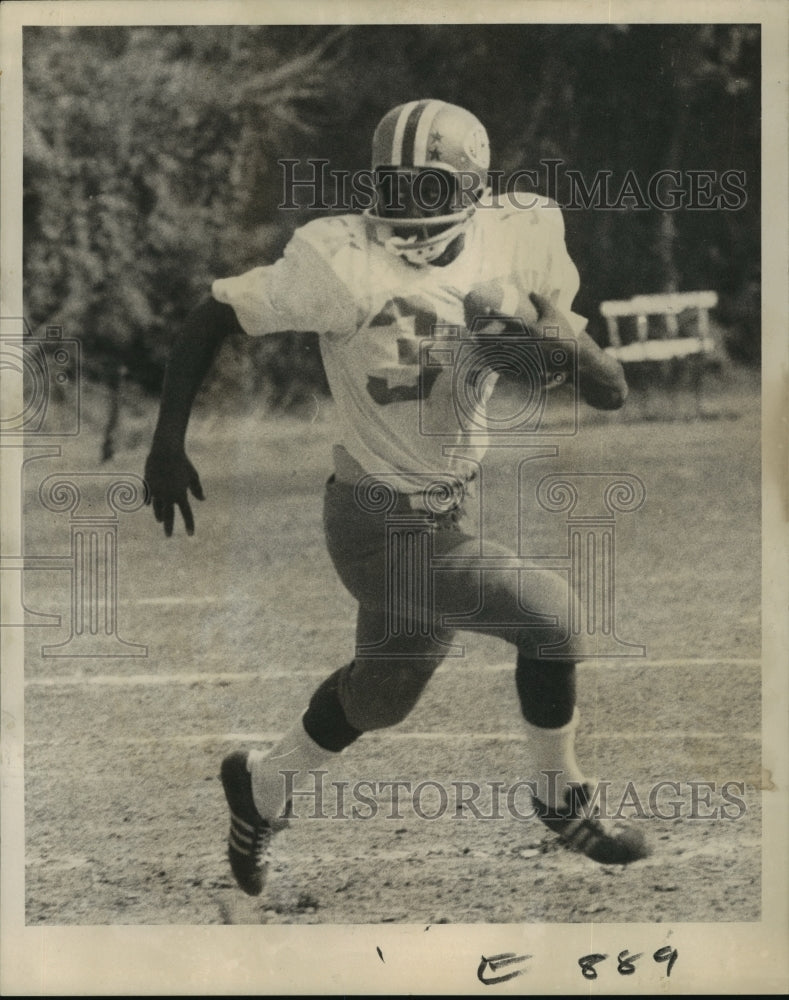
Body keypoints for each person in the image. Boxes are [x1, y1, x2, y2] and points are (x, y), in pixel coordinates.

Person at [144, 99, 648, 899]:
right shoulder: (339, 261)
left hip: (448, 507)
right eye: (393, 186)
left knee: (381, 696)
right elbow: (214, 312)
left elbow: (610, 391)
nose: (406, 207)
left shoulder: (518, 239)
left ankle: (261, 787)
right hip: (375, 522)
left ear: (472, 189)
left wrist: (561, 342)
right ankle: (562, 800)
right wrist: (167, 440)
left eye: (427, 188)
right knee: (550, 613)